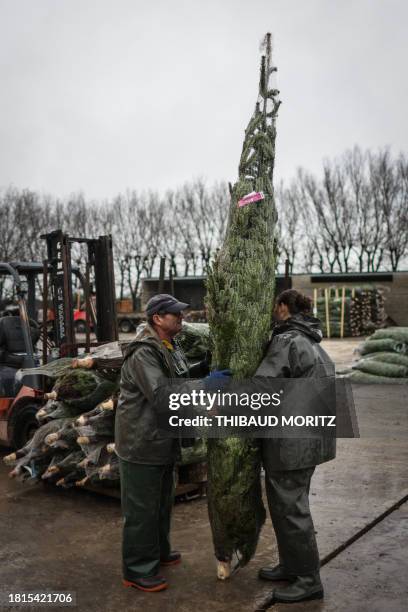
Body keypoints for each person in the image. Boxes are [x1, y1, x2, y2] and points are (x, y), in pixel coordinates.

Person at [256, 289, 336, 604]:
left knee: (291, 510)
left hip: (292, 443)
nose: (273, 312)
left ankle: (307, 580)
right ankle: (292, 565)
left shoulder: (287, 341)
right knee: (287, 506)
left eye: (275, 306)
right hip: (311, 439)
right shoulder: (313, 342)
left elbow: (263, 386)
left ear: (284, 308)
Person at [115, 293, 190, 593]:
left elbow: (177, 379)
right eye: (176, 314)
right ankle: (137, 569)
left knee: (160, 504)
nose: (181, 318)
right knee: (141, 510)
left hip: (161, 440)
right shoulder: (144, 353)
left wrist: (204, 373)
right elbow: (164, 396)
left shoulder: (168, 346)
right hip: (141, 442)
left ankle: (157, 553)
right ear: (158, 318)